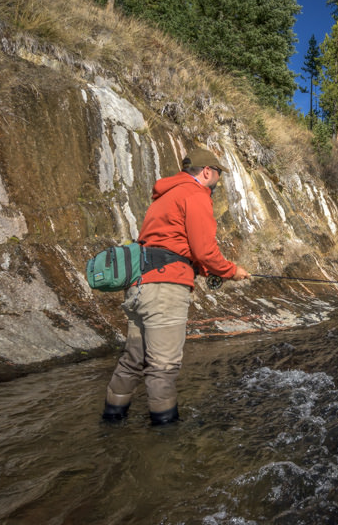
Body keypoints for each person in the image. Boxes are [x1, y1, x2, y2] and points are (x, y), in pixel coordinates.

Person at [102, 148, 250, 425]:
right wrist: (231, 271)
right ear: (208, 172)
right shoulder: (196, 195)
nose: (217, 181)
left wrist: (205, 271)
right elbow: (205, 251)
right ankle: (165, 437)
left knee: (133, 361)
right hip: (165, 291)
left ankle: (111, 421)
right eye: (217, 174)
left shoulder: (164, 197)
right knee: (162, 367)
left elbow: (172, 245)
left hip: (139, 285)